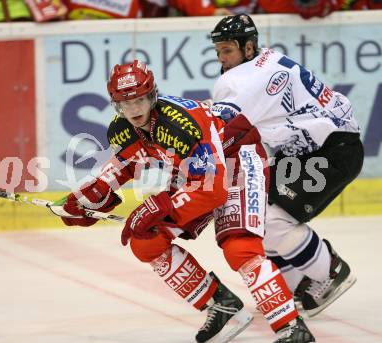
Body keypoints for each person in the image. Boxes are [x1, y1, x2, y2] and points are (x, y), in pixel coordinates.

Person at [56, 60, 315, 342]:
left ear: (152, 96)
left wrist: (160, 206)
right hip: (197, 173)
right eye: (125, 103)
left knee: (240, 247)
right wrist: (90, 195)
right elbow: (127, 162)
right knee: (147, 242)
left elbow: (213, 190)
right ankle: (221, 305)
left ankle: (292, 328)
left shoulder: (181, 122)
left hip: (238, 162)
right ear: (116, 105)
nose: (134, 109)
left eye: (140, 100)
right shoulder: (122, 127)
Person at [209, 13, 363, 320]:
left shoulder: (239, 80)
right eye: (218, 52)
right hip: (316, 150)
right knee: (257, 216)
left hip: (332, 152)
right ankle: (298, 282)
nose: (222, 59)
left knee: (274, 221)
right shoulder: (270, 60)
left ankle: (330, 271)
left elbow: (220, 134)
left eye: (227, 50)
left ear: (248, 48)